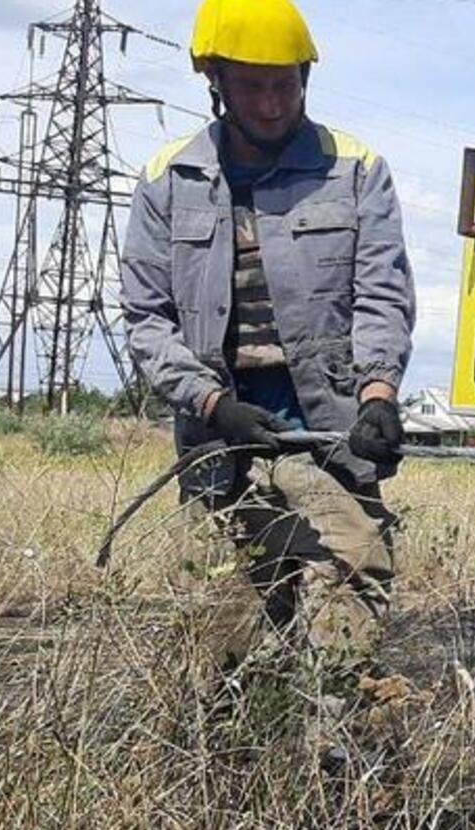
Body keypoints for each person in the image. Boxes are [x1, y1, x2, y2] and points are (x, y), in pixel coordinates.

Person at [120, 0, 416, 676]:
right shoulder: (167, 179)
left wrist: (378, 395)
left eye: (285, 83)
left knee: (354, 587)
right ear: (215, 82)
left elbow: (382, 293)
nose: (274, 102)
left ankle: (333, 757)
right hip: (220, 440)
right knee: (223, 627)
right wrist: (210, 405)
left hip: (329, 432)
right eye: (253, 85)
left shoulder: (356, 168)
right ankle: (232, 765)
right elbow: (146, 317)